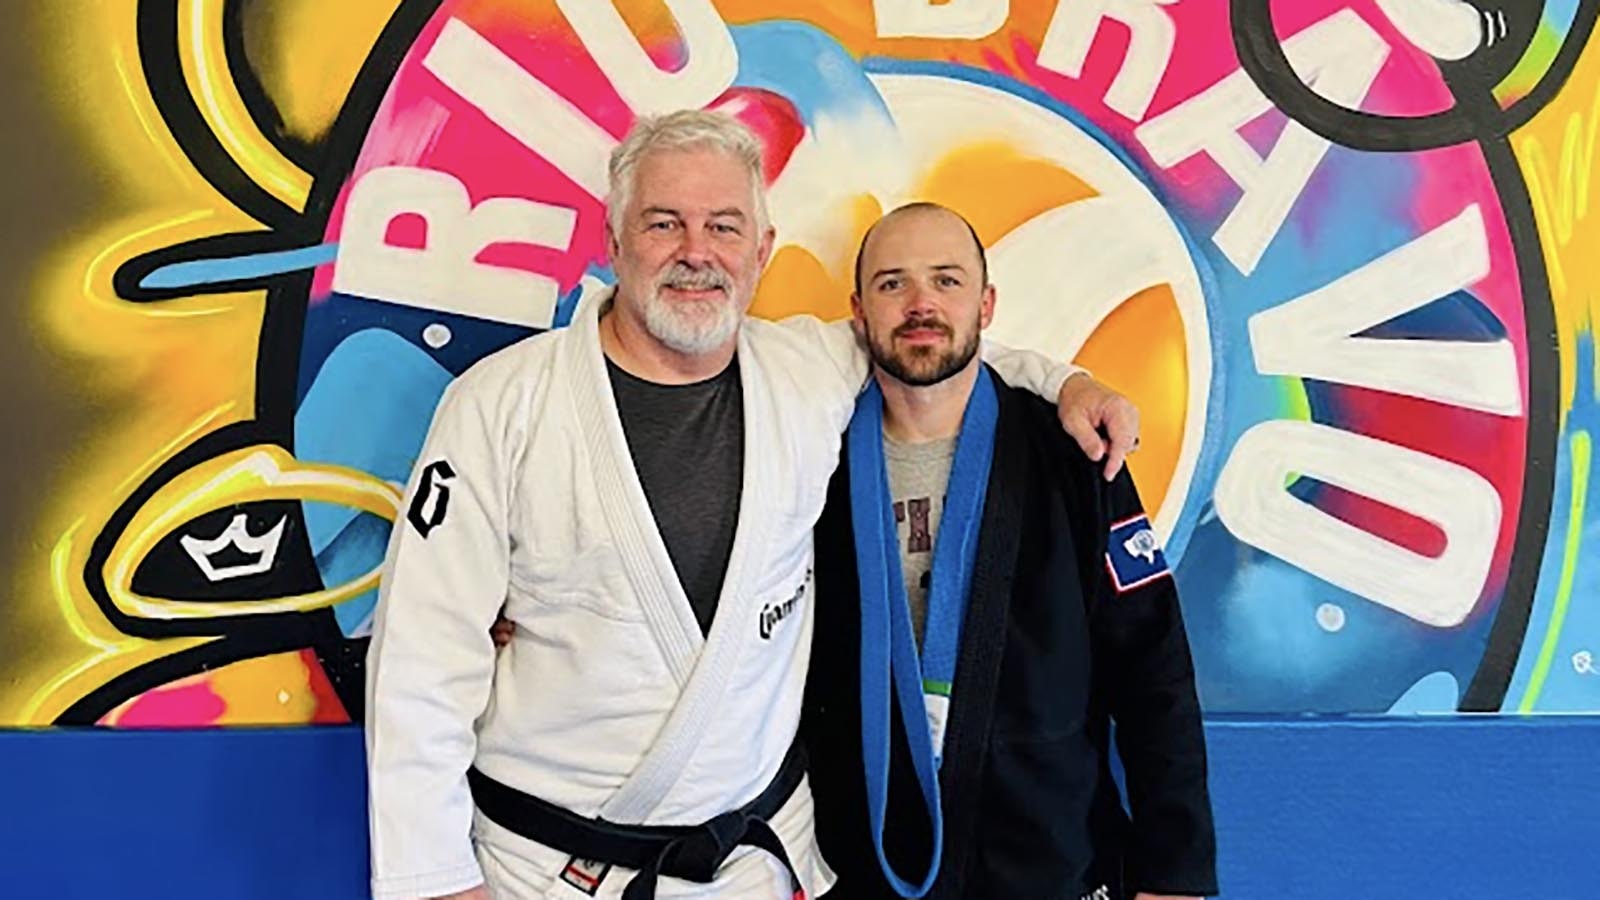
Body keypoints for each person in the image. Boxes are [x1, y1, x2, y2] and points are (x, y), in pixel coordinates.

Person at [366, 111, 1141, 900]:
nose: (696, 253)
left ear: (761, 251)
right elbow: (424, 656)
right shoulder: (500, 405)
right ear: (615, 238)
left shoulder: (802, 372)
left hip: (756, 863)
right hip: (549, 868)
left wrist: (1064, 383)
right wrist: (435, 879)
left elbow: (925, 343)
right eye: (663, 223)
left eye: (725, 226)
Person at [802, 203, 1216, 900]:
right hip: (861, 862)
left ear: (986, 304)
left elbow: (1154, 671)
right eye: (892, 284)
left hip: (1047, 858)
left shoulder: (1076, 454)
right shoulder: (811, 457)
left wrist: (1172, 870)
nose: (922, 304)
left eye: (947, 281)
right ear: (858, 310)